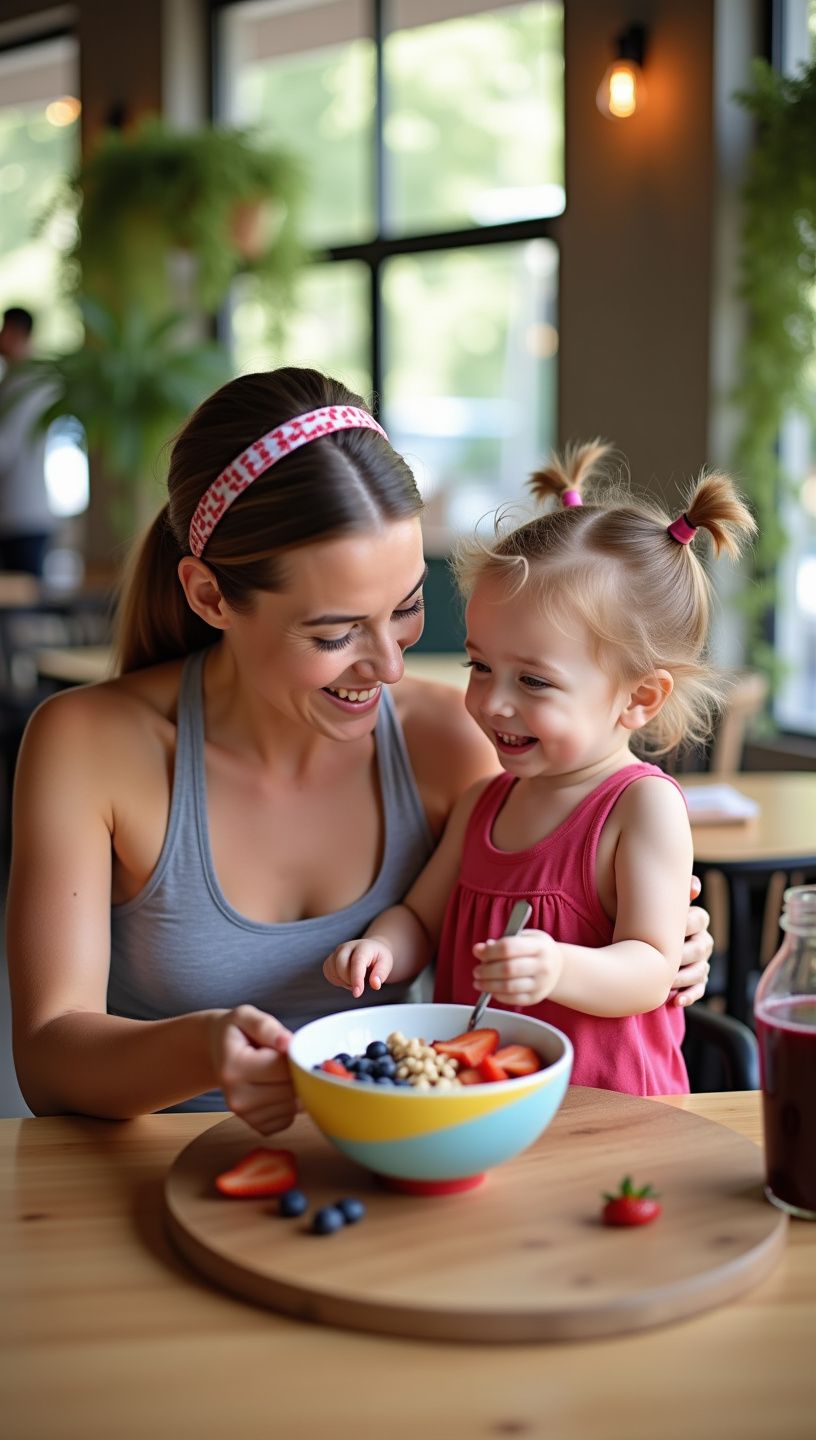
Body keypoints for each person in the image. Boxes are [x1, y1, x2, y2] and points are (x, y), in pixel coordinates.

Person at [7, 374, 713, 1134]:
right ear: (210, 597)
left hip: (397, 1169)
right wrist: (204, 1052)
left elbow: (567, 882)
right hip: (153, 1181)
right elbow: (48, 1062)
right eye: (336, 633)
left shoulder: (454, 741)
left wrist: (659, 947)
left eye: (407, 608)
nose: (391, 667)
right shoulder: (87, 745)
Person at [324, 441, 756, 1095]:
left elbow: (649, 967)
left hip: (611, 1118)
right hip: (481, 1108)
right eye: (481, 666)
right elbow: (421, 918)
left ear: (640, 697)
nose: (494, 701)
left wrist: (558, 968)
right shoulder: (484, 802)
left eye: (533, 680)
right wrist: (384, 947)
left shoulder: (642, 808)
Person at [0, 306, 57, 576]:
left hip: (20, 513)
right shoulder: (30, 379)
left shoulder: (26, 383)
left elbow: (6, 446)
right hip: (24, 511)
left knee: (21, 604)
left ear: (16, 333)